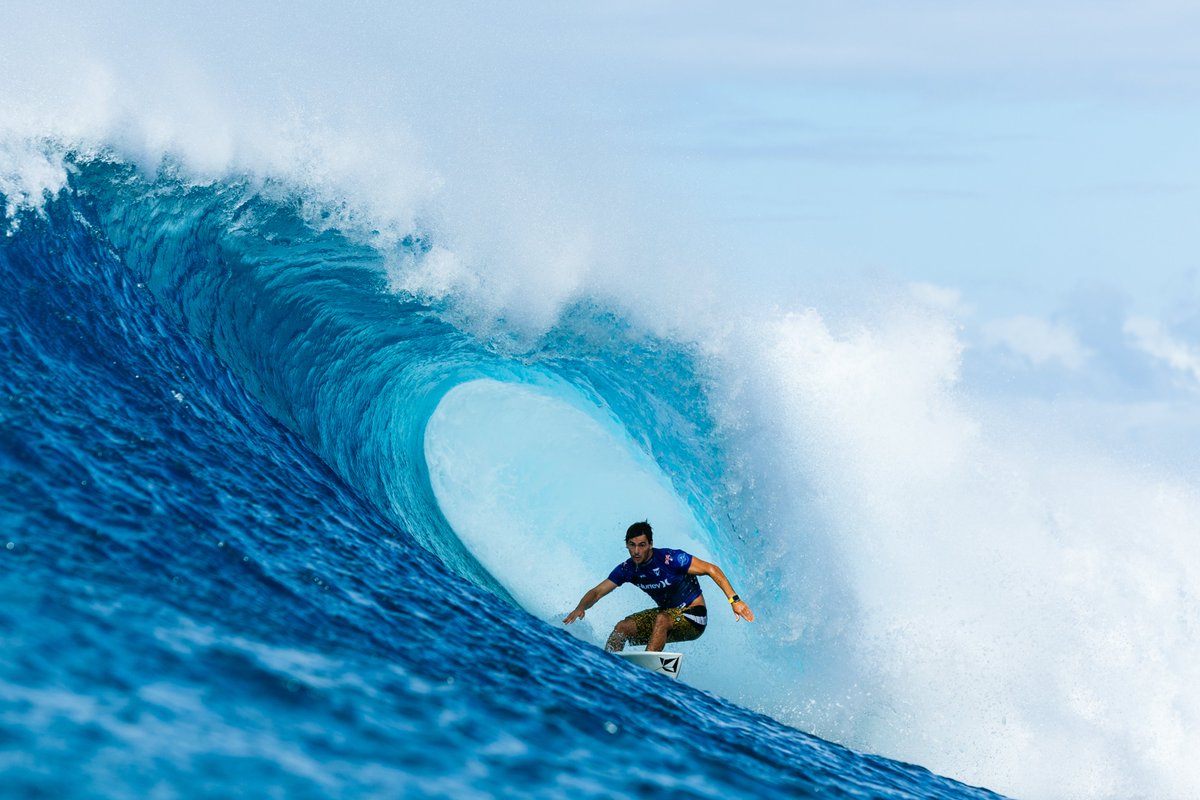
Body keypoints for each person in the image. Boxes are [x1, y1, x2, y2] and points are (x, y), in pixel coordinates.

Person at [563, 521, 754, 652]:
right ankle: (609, 666)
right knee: (622, 628)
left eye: (642, 545)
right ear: (626, 545)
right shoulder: (627, 569)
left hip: (694, 616)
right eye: (632, 545)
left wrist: (734, 600)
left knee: (662, 618)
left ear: (650, 544)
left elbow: (711, 569)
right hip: (666, 615)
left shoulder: (671, 559)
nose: (636, 551)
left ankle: (647, 673)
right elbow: (597, 592)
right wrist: (581, 607)